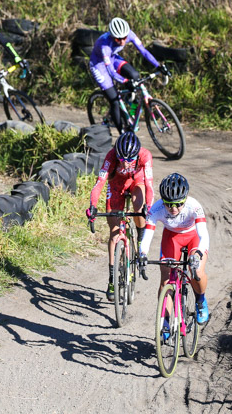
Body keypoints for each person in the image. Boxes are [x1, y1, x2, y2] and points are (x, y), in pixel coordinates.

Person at [86, 131, 154, 301]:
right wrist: (92, 207)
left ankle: (139, 237)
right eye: (122, 159)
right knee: (115, 231)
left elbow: (149, 185)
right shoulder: (111, 156)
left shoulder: (145, 155)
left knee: (140, 208)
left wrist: (149, 207)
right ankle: (111, 278)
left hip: (136, 181)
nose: (125, 163)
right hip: (116, 185)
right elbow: (99, 183)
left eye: (129, 159)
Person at [139, 173, 210, 324]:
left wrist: (197, 254)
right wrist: (142, 254)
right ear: (162, 201)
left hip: (193, 237)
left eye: (178, 204)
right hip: (171, 238)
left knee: (196, 271)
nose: (173, 208)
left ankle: (201, 301)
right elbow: (147, 236)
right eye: (168, 203)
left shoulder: (194, 206)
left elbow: (204, 235)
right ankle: (164, 321)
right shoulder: (156, 209)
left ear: (185, 199)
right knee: (165, 281)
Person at [88, 17, 164, 133]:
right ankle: (122, 134)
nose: (123, 42)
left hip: (113, 58)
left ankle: (130, 107)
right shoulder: (105, 46)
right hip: (100, 65)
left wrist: (158, 66)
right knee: (114, 100)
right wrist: (124, 81)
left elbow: (144, 51)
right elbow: (111, 72)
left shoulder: (129, 34)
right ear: (113, 36)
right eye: (118, 39)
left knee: (134, 75)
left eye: (124, 38)